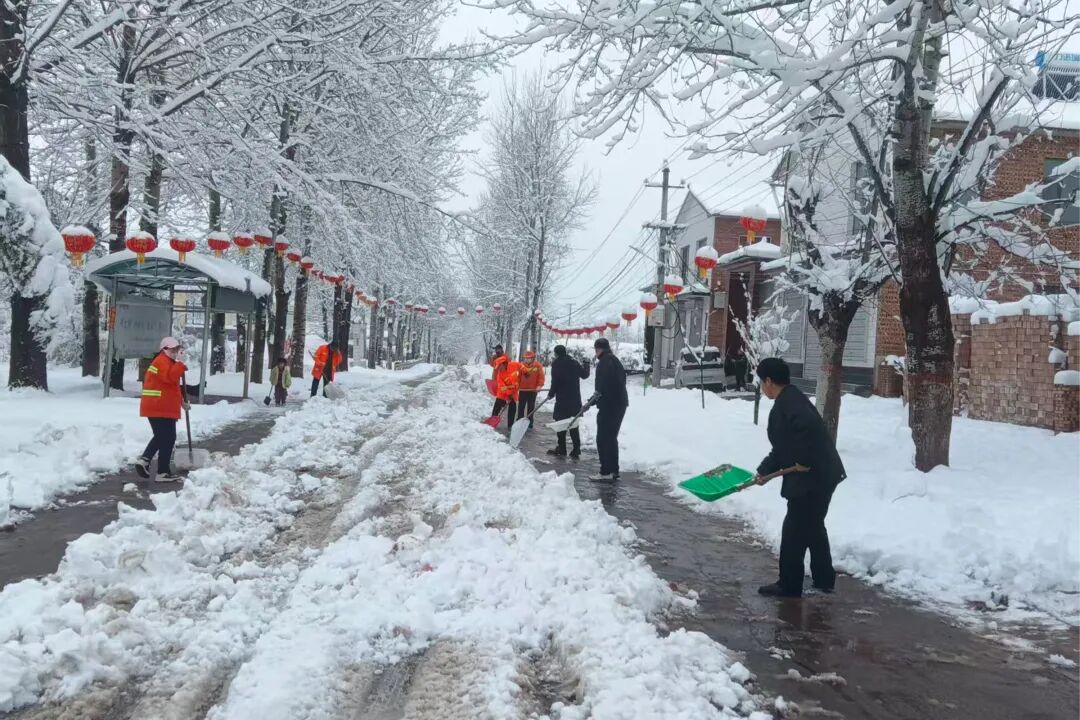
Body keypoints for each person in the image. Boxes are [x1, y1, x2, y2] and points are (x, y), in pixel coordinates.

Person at [752, 357, 846, 598]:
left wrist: (804, 459)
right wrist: (764, 471)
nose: (762, 387)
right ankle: (824, 578)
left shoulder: (789, 404)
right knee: (812, 526)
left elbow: (808, 428)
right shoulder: (791, 399)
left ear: (769, 381)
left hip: (813, 478)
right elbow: (784, 447)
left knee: (794, 530)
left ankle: (789, 585)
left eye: (761, 382)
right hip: (822, 474)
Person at [134, 336, 188, 483]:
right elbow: (170, 378)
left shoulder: (167, 362)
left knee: (164, 437)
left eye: (176, 349)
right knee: (166, 437)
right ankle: (161, 471)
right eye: (171, 349)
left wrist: (182, 402)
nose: (174, 352)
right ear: (164, 349)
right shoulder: (162, 361)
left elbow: (171, 387)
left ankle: (147, 462)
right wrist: (180, 364)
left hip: (160, 406)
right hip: (159, 406)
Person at [591, 337, 628, 482]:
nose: (596, 352)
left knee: (603, 438)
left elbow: (603, 386)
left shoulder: (605, 363)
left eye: (596, 349)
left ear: (600, 349)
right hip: (619, 404)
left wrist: (594, 399)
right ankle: (613, 470)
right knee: (611, 438)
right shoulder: (614, 360)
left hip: (610, 405)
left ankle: (606, 471)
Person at [546, 345, 589, 457]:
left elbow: (555, 381)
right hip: (575, 399)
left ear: (556, 353)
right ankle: (576, 449)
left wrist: (551, 394)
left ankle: (562, 448)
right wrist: (586, 364)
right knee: (573, 423)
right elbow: (585, 375)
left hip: (562, 399)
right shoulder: (574, 362)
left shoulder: (556, 364)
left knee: (561, 424)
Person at [516, 350, 545, 427]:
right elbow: (518, 377)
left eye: (528, 358)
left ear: (532, 358)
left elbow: (541, 377)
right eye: (525, 358)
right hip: (522, 390)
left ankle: (529, 422)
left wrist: (539, 386)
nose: (527, 359)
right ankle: (519, 421)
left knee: (531, 407)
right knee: (521, 406)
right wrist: (517, 385)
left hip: (532, 390)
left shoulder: (538, 365)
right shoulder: (521, 366)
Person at [491, 357, 521, 429]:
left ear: (504, 364)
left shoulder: (513, 366)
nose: (499, 369)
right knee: (497, 404)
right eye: (498, 367)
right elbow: (502, 387)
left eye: (500, 366)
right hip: (503, 392)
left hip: (513, 392)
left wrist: (524, 372)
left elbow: (521, 368)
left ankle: (510, 425)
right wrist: (508, 393)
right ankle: (492, 421)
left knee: (512, 406)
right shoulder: (500, 374)